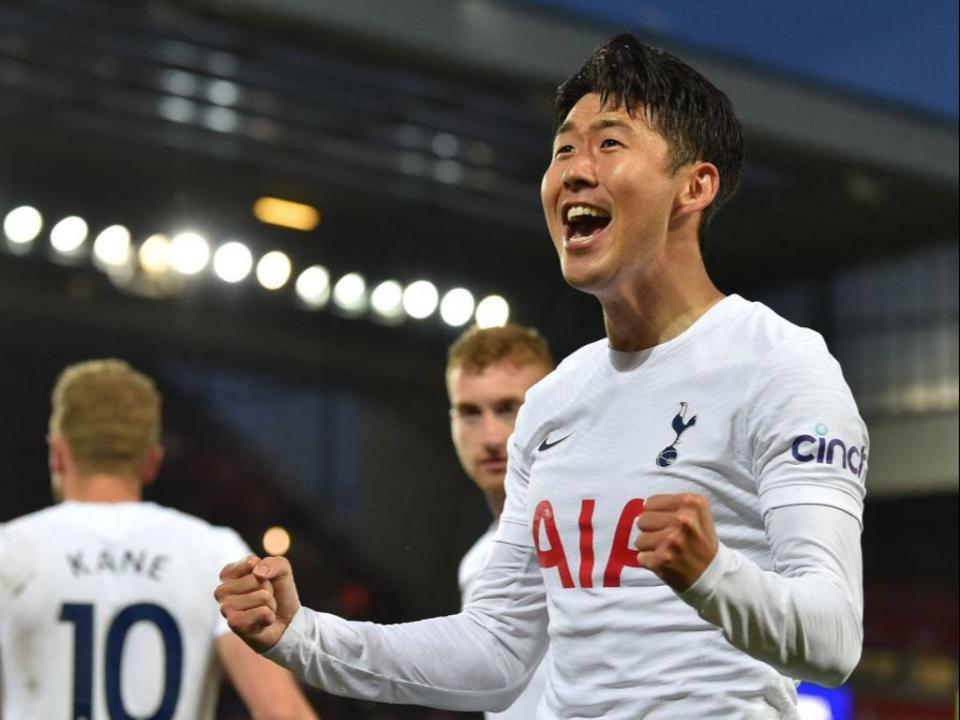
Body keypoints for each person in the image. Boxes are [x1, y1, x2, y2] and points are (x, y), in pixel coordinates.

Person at [216, 33, 867, 719]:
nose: (574, 172)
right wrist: (302, 636)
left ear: (693, 186)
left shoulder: (780, 366)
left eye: (609, 144)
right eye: (563, 150)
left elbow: (833, 640)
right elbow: (496, 653)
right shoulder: (556, 402)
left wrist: (713, 575)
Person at [0, 359, 319, 720]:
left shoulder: (10, 550)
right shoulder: (215, 552)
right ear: (152, 460)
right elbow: (284, 712)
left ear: (57, 454)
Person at [447, 324, 554, 719]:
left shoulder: (593, 531)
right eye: (470, 412)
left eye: (509, 409)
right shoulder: (476, 563)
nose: (491, 436)